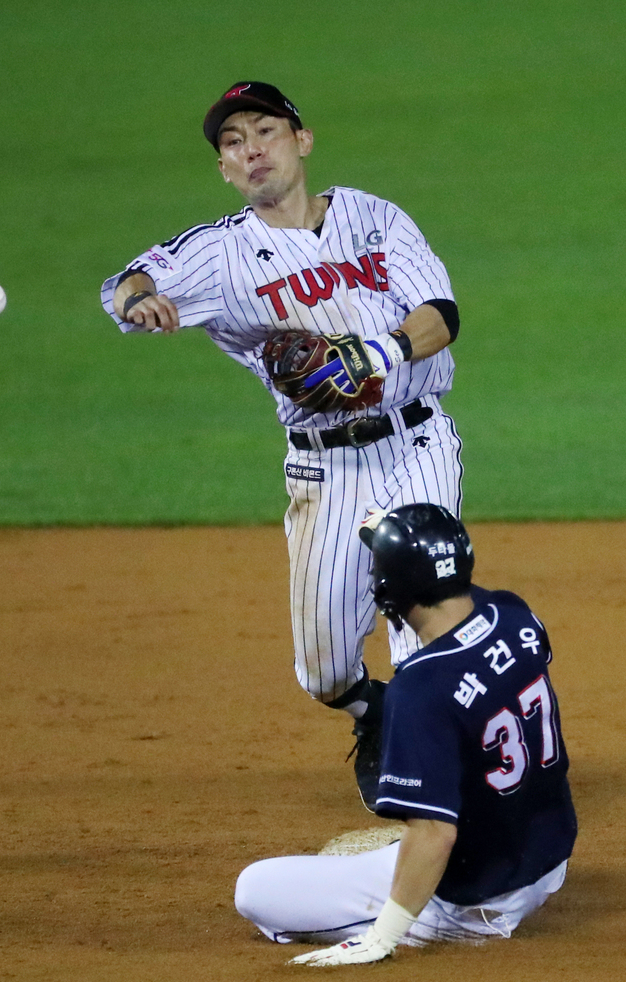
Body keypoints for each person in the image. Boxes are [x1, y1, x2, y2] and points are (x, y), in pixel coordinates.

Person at [100, 82, 464, 727]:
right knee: (323, 671)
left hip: (416, 441)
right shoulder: (218, 255)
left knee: (421, 602)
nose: (251, 150)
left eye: (265, 131)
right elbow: (130, 282)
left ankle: (430, 762)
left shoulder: (374, 217)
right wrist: (140, 301)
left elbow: (440, 316)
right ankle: (369, 711)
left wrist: (377, 355)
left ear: (302, 140)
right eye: (233, 142)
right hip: (324, 467)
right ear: (224, 168)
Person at [234, 504, 578, 966]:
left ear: (392, 589)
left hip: (478, 901)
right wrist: (399, 537)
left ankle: (411, 924)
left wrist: (382, 937)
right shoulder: (513, 613)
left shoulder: (419, 689)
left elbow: (435, 832)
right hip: (548, 861)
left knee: (255, 889)